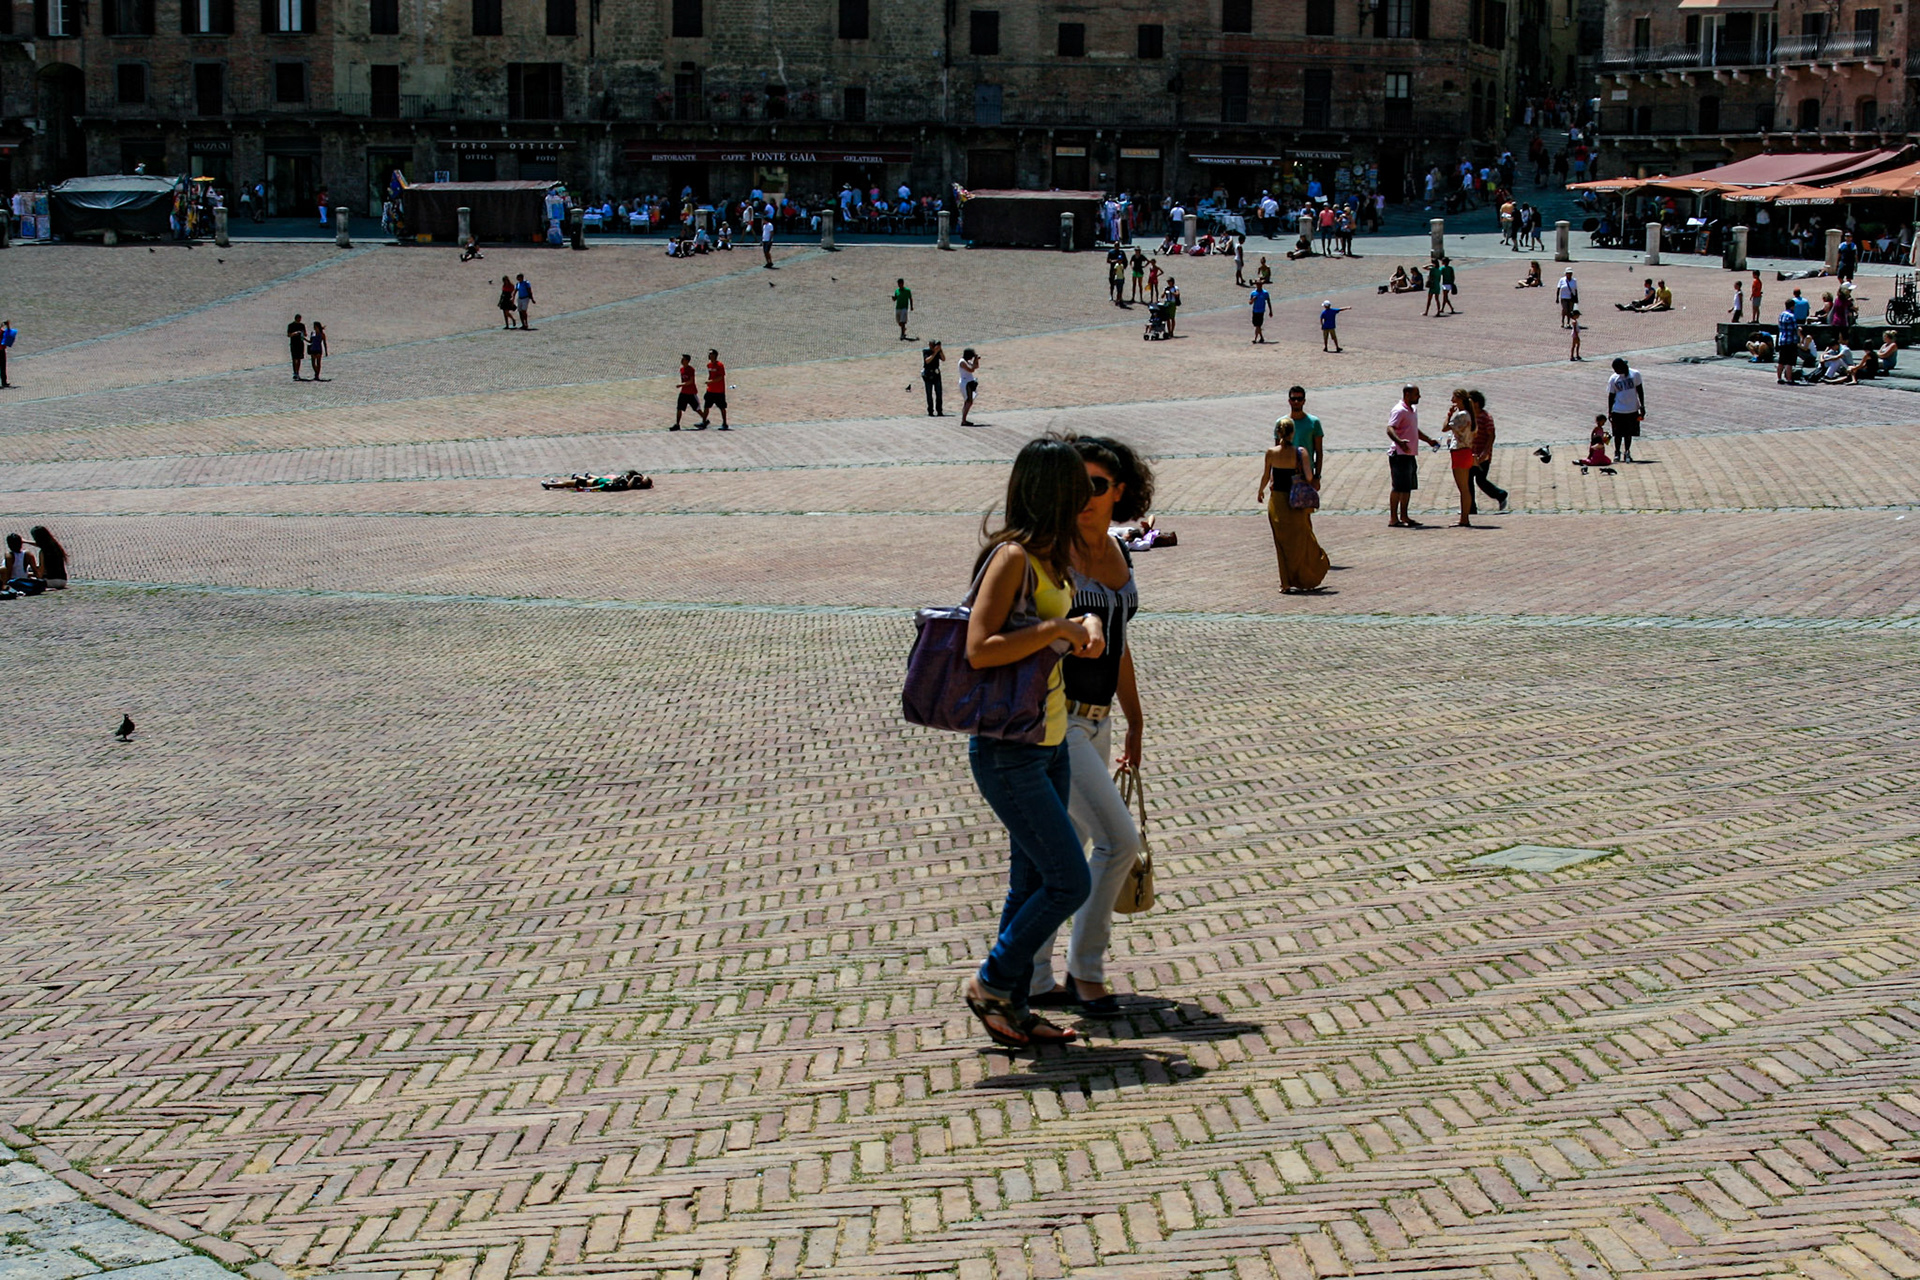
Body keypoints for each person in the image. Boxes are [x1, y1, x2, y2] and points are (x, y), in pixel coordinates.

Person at [959, 437, 1105, 1051]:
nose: (1089, 494)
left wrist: (1086, 626)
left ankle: (1012, 1010)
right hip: (1008, 748)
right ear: (1054, 490)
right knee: (1069, 880)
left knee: (1030, 885)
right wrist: (1059, 629)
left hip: (1050, 742)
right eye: (1080, 485)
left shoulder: (1051, 557)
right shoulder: (1011, 557)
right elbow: (979, 647)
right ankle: (991, 983)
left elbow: (1059, 628)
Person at [1026, 435, 1152, 1016]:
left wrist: (1134, 719)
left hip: (1099, 722)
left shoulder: (1118, 553)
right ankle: (1087, 972)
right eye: (1074, 486)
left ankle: (1028, 976)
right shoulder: (1051, 553)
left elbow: (1120, 645)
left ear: (1119, 491)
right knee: (1118, 840)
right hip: (1057, 721)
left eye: (1096, 486)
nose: (1084, 497)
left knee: (1067, 846)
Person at [1256, 416, 1330, 593]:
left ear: (1278, 433)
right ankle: (1308, 574)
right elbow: (1310, 477)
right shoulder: (1300, 452)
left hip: (1277, 501)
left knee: (1281, 543)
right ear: (1293, 433)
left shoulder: (1271, 452)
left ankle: (1285, 583)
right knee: (1302, 540)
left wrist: (1260, 490)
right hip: (1295, 502)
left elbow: (1267, 475)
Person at [1386, 385, 1437, 528]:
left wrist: (1429, 440)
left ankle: (1404, 516)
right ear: (1407, 394)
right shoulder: (1399, 410)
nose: (1419, 397)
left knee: (1407, 487)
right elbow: (1390, 428)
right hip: (1399, 454)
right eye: (1416, 394)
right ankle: (1393, 518)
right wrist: (1399, 442)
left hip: (1409, 454)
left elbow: (1413, 429)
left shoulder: (1412, 410)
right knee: (1398, 487)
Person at [1466, 389, 1507, 515]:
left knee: (1480, 480)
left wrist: (1486, 452)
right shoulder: (1468, 416)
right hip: (1470, 454)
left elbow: (1491, 435)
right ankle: (1471, 507)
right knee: (1468, 480)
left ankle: (1500, 494)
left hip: (1482, 456)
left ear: (1477, 403)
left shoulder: (1485, 417)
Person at [1276, 385, 1324, 488]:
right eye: (1293, 399)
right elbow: (1277, 452)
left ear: (1304, 401)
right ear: (1289, 401)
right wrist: (1272, 478)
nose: (1296, 402)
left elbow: (1319, 451)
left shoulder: (1313, 422)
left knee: (1306, 503)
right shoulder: (1281, 422)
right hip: (1285, 471)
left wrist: (1317, 477)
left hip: (1306, 472)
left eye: (1299, 399)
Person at [1442, 388, 1477, 527]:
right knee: (1465, 487)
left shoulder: (1461, 415)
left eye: (1454, 398)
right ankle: (1465, 517)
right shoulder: (1470, 415)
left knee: (1463, 488)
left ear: (1460, 399)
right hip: (1467, 451)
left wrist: (1449, 414)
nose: (1452, 401)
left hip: (1460, 452)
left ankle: (1464, 518)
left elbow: (1445, 427)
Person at [1605, 357, 1645, 461]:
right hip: (1618, 410)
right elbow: (1611, 396)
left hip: (1632, 409)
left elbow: (1640, 391)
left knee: (1628, 433)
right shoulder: (1613, 378)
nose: (1615, 371)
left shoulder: (1635, 374)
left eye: (1617, 369)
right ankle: (1617, 452)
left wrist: (1642, 406)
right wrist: (1610, 412)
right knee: (1617, 434)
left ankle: (1627, 451)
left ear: (1622, 367)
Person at [671, 354, 706, 430]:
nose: (682, 361)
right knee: (679, 408)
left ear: (687, 361)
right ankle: (677, 424)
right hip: (683, 392)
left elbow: (691, 381)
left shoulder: (691, 369)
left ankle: (705, 420)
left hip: (691, 393)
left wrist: (681, 384)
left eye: (683, 359)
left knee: (697, 408)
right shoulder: (682, 369)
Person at [703, 348, 730, 429]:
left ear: (715, 355)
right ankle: (704, 422)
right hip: (710, 390)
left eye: (711, 354)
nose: (709, 355)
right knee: (706, 406)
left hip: (719, 391)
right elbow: (710, 375)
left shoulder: (720, 365)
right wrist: (708, 384)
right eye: (709, 354)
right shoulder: (709, 365)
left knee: (722, 407)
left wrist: (711, 382)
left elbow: (721, 377)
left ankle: (725, 423)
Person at [1776, 304, 1803, 384]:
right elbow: (1794, 328)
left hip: (1782, 340)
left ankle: (1779, 378)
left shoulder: (1781, 314)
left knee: (1781, 361)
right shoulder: (1792, 316)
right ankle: (1789, 379)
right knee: (1789, 362)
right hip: (1790, 341)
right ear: (1792, 306)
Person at [922, 339, 945, 416]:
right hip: (928, 374)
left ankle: (939, 410)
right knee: (929, 393)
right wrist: (935, 352)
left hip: (936, 373)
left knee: (939, 393)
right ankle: (930, 410)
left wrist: (940, 350)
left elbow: (943, 359)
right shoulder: (926, 351)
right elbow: (927, 361)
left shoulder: (938, 351)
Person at [958, 348, 981, 426]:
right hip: (965, 383)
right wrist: (974, 361)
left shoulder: (967, 362)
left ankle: (964, 419)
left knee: (968, 401)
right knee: (968, 401)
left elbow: (976, 366)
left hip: (969, 382)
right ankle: (963, 420)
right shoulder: (962, 362)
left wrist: (976, 359)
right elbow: (971, 370)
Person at [287, 314, 307, 380]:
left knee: (299, 358)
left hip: (300, 343)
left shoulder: (302, 325)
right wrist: (294, 333)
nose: (299, 320)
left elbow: (305, 334)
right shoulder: (291, 325)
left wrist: (303, 333)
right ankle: (294, 372)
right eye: (298, 318)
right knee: (294, 358)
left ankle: (297, 372)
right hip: (293, 343)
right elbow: (288, 335)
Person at [0, 319, 14, 389]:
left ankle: (4, 382)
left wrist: (8, 326)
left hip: (2, 350)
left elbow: (8, 334)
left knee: (3, 366)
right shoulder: (1, 331)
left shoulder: (2, 331)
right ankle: (4, 382)